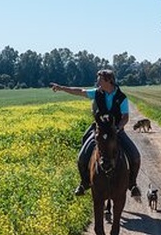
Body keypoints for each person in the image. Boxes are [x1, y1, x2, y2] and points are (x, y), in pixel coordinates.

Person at [50, 69, 142, 198]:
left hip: (116, 131)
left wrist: (118, 128)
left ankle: (132, 184)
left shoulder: (121, 98)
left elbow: (125, 117)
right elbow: (80, 91)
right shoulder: (97, 93)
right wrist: (61, 88)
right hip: (99, 130)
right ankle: (84, 183)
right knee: (82, 157)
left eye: (99, 79)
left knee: (135, 156)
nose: (97, 82)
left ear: (108, 80)